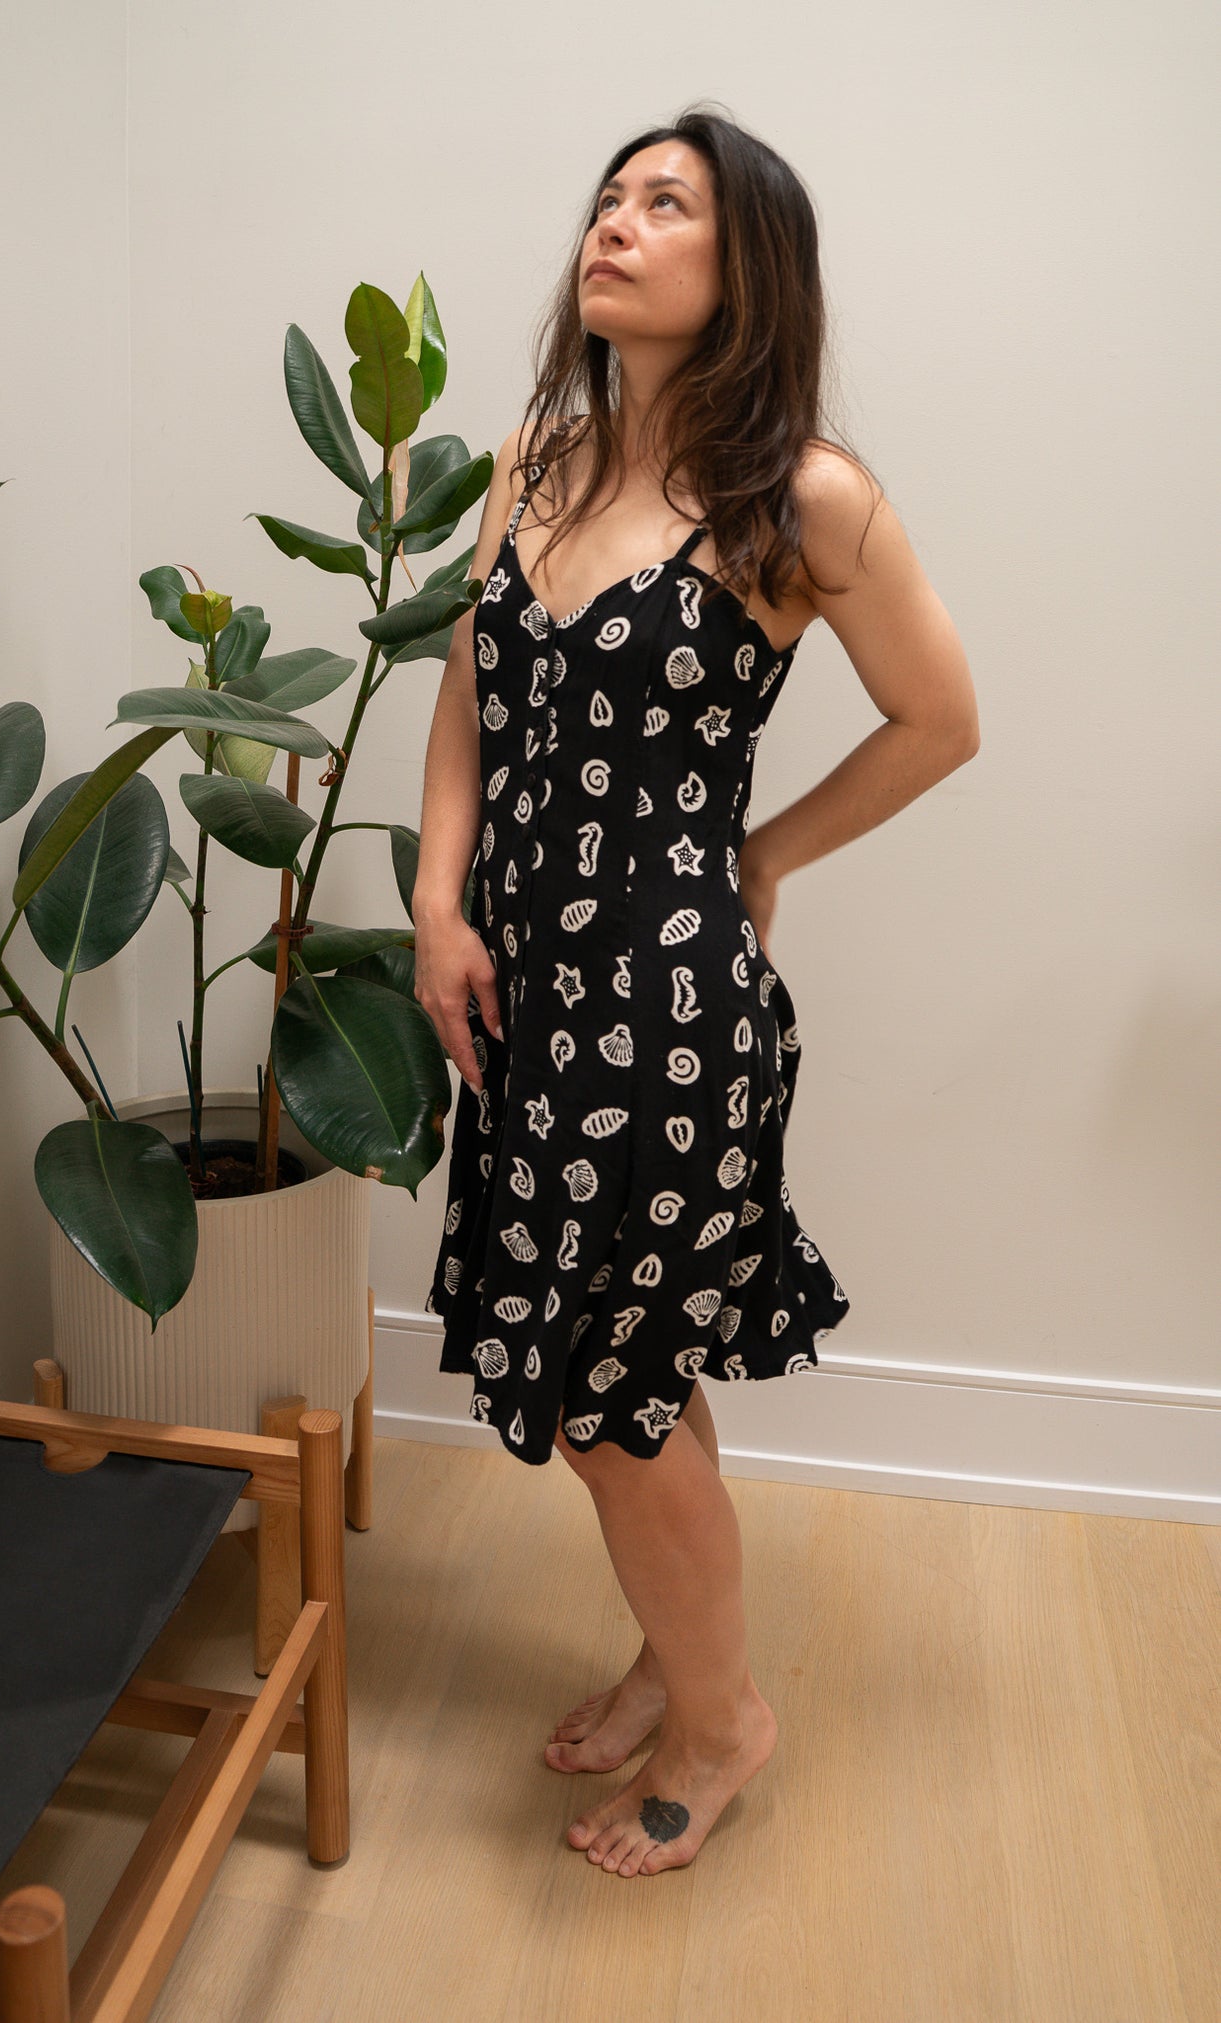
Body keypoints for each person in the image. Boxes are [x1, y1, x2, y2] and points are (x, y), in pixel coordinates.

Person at [412, 105, 980, 1880]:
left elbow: (939, 721)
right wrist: (436, 901)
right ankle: (682, 1650)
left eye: (666, 203)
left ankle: (727, 1717)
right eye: (608, 195)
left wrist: (768, 855)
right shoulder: (534, 454)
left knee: (605, 1393)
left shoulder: (799, 494)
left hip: (664, 1014)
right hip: (518, 996)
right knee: (632, 1372)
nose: (616, 222)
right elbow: (467, 701)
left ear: (749, 267)